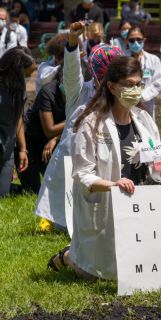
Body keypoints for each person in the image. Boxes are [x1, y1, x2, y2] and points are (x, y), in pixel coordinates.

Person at [47, 56, 161, 280]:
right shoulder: (91, 124)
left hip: (138, 206)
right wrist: (113, 184)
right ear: (111, 87)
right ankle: (70, 257)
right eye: (129, 85)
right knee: (98, 275)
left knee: (138, 272)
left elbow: (158, 165)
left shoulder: (145, 121)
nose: (135, 90)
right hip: (104, 207)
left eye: (139, 84)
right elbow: (82, 174)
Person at [35, 21, 122, 231]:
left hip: (104, 158)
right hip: (71, 156)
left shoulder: (120, 96)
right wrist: (73, 41)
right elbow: (72, 70)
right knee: (63, 214)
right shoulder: (80, 92)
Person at [21, 67, 65, 194]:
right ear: (59, 80)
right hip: (31, 140)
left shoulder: (81, 92)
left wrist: (55, 139)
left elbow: (80, 127)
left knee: (57, 186)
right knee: (32, 190)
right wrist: (74, 118)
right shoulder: (47, 92)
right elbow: (50, 130)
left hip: (53, 141)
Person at [0, 47, 35, 197]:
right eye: (26, 73)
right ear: (16, 69)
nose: (29, 77)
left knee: (3, 195)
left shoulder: (18, 88)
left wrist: (22, 149)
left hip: (6, 150)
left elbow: (18, 118)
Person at [127, 26, 161, 119]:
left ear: (144, 40)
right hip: (126, 103)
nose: (135, 43)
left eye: (139, 39)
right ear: (126, 41)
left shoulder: (154, 60)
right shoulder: (122, 59)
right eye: (132, 40)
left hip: (147, 103)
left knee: (148, 129)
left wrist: (141, 96)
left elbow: (158, 84)